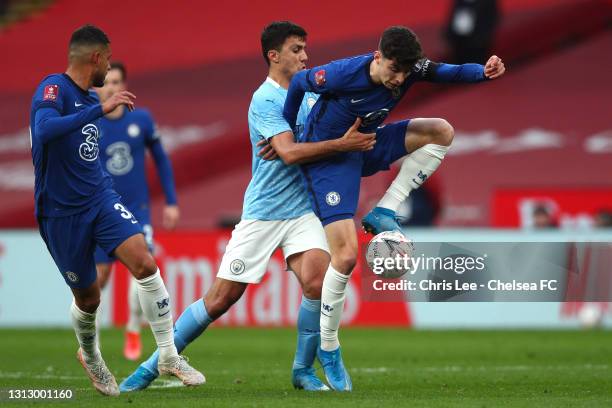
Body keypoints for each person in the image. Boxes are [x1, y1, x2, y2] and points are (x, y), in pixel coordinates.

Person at [119, 21, 374, 393]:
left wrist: (299, 145)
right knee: (221, 299)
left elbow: (299, 145)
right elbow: (287, 152)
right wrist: (311, 147)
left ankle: (303, 371)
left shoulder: (311, 95)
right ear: (274, 56)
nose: (305, 56)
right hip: (263, 212)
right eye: (296, 49)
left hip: (304, 208)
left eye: (304, 48)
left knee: (317, 282)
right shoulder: (265, 99)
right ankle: (151, 366)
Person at [283, 25, 505, 391]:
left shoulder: (410, 69)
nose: (399, 79)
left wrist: (483, 71)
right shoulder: (343, 73)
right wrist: (290, 135)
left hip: (368, 144)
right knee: (346, 256)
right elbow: (299, 83)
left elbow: (448, 72)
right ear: (377, 57)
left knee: (441, 130)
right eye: (393, 70)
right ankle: (329, 348)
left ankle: (384, 210)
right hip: (331, 160)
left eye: (405, 71)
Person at [29, 24, 203, 396]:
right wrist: (98, 111)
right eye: (107, 59)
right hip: (60, 212)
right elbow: (44, 131)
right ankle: (91, 356)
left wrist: (98, 110)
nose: (108, 69)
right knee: (89, 298)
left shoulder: (93, 101)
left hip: (99, 199)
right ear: (94, 56)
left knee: (144, 261)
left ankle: (168, 354)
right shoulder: (53, 88)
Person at [94, 61, 179, 361]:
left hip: (136, 208)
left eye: (116, 82)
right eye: (106, 82)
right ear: (97, 86)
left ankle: (132, 326)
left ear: (124, 85)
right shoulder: (90, 122)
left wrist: (171, 201)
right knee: (99, 278)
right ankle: (93, 345)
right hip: (101, 208)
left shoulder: (140, 119)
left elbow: (161, 160)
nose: (111, 87)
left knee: (141, 266)